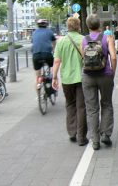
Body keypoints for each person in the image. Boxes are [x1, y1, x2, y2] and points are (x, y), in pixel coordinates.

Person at [81, 14, 117, 150]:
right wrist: (112, 73)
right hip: (105, 75)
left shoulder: (84, 40)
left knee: (91, 108)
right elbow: (113, 57)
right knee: (107, 104)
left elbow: (83, 58)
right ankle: (106, 134)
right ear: (100, 25)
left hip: (88, 76)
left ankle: (95, 140)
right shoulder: (107, 38)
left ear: (88, 25)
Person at [52, 17, 88, 146]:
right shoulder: (83, 39)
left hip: (67, 79)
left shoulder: (61, 41)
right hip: (82, 78)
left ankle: (72, 132)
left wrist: (54, 77)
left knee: (70, 105)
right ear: (79, 26)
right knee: (81, 107)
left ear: (67, 27)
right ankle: (81, 137)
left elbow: (56, 61)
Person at [31, 19, 56, 88]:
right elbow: (54, 43)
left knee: (38, 75)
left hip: (36, 55)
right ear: (46, 25)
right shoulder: (50, 32)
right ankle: (52, 78)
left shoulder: (34, 33)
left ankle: (39, 84)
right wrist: (54, 51)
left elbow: (33, 43)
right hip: (47, 55)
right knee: (53, 67)